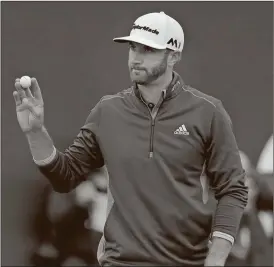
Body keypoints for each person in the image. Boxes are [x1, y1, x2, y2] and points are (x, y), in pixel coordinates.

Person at [13, 11, 248, 267]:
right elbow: (65, 176)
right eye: (133, 48)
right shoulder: (107, 111)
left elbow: (233, 189)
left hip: (187, 262)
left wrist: (216, 258)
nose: (136, 58)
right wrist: (35, 132)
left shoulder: (208, 112)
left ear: (174, 56)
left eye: (148, 50)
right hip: (120, 262)